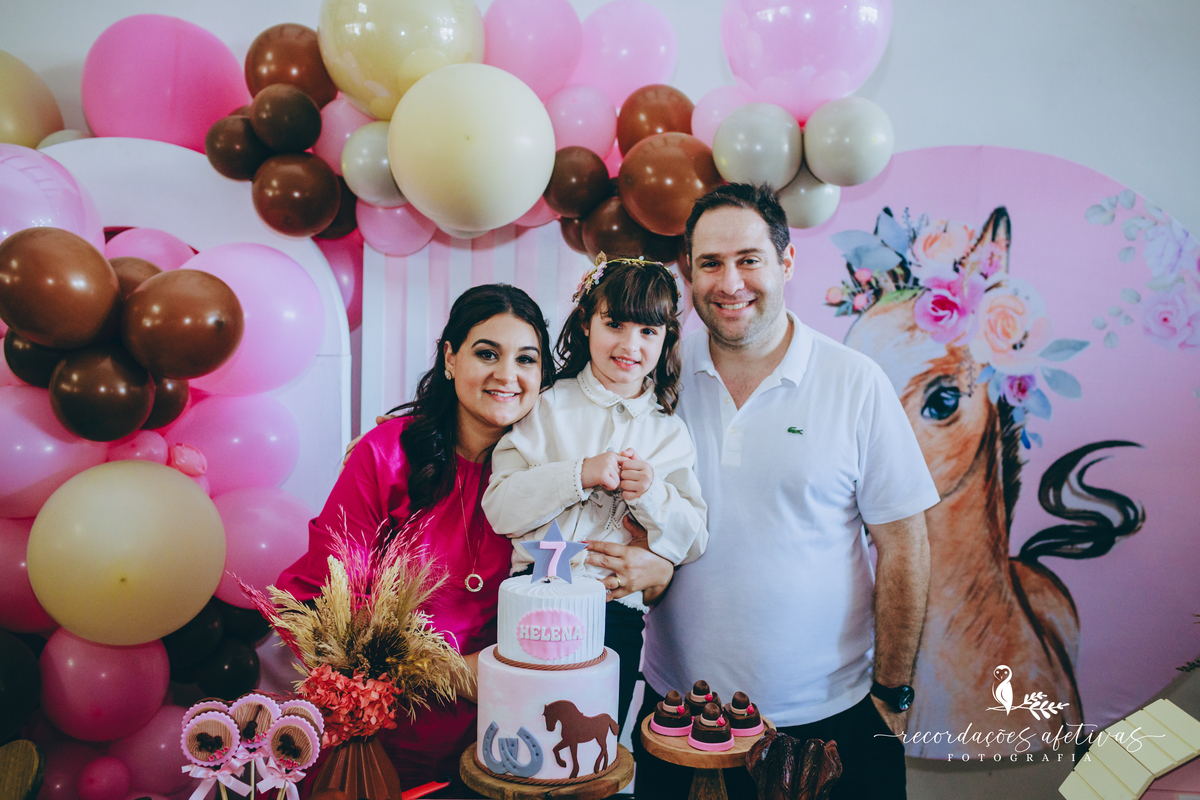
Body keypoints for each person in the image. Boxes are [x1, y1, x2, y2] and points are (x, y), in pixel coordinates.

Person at [587, 184, 939, 800]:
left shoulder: (855, 383)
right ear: (687, 273)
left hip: (830, 720)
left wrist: (892, 695)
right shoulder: (652, 375)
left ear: (786, 263)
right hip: (680, 722)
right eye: (710, 264)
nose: (730, 283)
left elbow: (905, 545)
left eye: (749, 259)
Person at [276, 284, 555, 794]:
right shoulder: (385, 456)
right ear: (450, 359)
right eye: (487, 353)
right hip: (384, 742)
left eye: (527, 359)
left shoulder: (553, 480)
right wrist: (445, 672)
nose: (507, 375)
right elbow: (322, 603)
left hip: (508, 744)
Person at [481, 257, 708, 732]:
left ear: (667, 338)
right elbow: (500, 510)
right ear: (586, 321)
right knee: (525, 736)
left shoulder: (669, 433)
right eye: (615, 324)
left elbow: (692, 539)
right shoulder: (544, 406)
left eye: (649, 330)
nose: (630, 345)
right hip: (532, 601)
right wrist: (576, 474)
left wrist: (651, 495)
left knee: (590, 748)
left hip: (614, 616)